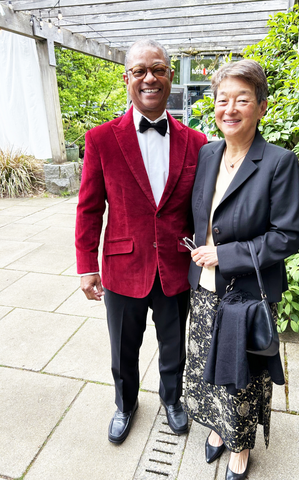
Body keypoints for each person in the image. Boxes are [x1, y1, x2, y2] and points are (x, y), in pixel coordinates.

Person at [75, 39, 207, 445]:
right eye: (140, 71)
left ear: (170, 75)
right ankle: (125, 403)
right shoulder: (100, 139)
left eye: (159, 70)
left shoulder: (197, 142)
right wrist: (86, 266)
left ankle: (172, 399)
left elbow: (203, 209)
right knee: (123, 349)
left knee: (174, 346)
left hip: (175, 267)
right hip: (122, 266)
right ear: (127, 78)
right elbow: (89, 207)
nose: (150, 78)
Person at [184, 60, 299, 480]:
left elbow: (289, 235)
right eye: (222, 99)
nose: (229, 108)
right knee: (208, 366)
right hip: (204, 289)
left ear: (261, 107)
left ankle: (241, 444)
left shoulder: (278, 162)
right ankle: (219, 428)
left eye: (242, 100)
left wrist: (226, 254)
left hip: (249, 294)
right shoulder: (207, 153)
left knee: (244, 375)